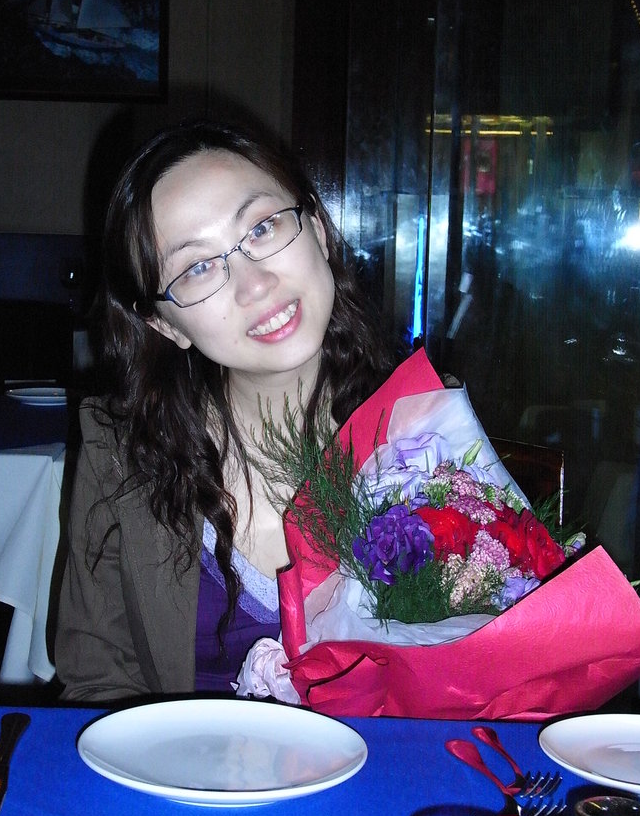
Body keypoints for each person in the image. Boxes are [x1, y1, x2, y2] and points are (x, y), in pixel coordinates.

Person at [54, 119, 396, 702]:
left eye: (261, 228)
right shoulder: (123, 458)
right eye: (198, 268)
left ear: (316, 228)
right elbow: (97, 681)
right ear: (165, 325)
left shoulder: (425, 430)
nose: (254, 284)